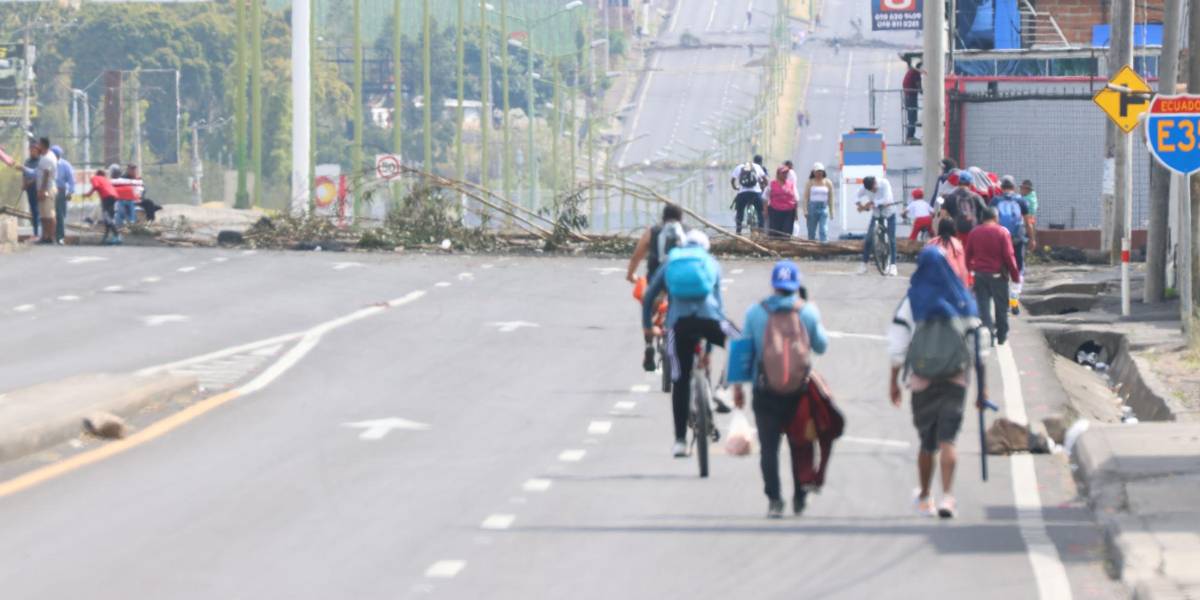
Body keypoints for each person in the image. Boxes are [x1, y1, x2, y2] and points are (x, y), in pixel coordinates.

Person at [887, 247, 985, 519]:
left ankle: (925, 496)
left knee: (927, 442)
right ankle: (948, 498)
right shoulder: (961, 296)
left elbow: (898, 344)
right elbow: (978, 341)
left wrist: (893, 383)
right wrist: (982, 387)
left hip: (922, 378)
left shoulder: (913, 299)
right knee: (948, 440)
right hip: (956, 377)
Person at [731, 261, 829, 518]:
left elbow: (744, 351)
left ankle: (774, 499)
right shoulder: (807, 312)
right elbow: (821, 346)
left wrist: (739, 387)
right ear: (795, 286)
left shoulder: (755, 312)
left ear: (774, 285)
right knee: (801, 444)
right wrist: (814, 315)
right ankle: (799, 495)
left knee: (769, 448)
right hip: (800, 392)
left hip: (765, 391)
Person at [642, 230, 735, 458]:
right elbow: (718, 307)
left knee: (679, 381)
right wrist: (710, 350)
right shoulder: (710, 262)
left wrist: (647, 325)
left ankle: (681, 441)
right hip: (709, 321)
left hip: (677, 326)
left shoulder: (671, 261)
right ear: (705, 247)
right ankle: (723, 389)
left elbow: (649, 296)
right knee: (742, 343)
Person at [627, 205, 686, 371]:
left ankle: (648, 345)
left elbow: (636, 256)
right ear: (681, 219)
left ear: (663, 217)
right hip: (681, 283)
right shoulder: (687, 232)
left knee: (649, 306)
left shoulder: (652, 231)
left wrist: (630, 275)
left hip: (656, 281)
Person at [966, 208, 1021, 346]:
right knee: (1001, 307)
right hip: (998, 276)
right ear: (996, 217)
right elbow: (1009, 256)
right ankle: (1001, 335)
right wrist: (1015, 276)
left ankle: (988, 335)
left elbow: (968, 255)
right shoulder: (1002, 232)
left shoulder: (974, 232)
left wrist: (969, 271)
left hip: (979, 275)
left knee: (983, 308)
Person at [855, 175, 900, 276]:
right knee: (868, 239)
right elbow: (856, 196)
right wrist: (860, 205)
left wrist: (872, 203)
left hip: (889, 213)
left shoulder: (884, 183)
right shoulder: (864, 188)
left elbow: (886, 199)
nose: (873, 191)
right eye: (870, 190)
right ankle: (864, 265)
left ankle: (893, 265)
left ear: (875, 183)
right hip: (876, 214)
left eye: (873, 189)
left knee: (891, 239)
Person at [940, 170, 988, 243]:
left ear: (958, 182)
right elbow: (986, 214)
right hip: (974, 232)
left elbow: (943, 216)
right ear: (970, 183)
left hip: (957, 233)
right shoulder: (977, 197)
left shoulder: (950, 197)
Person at [730, 155, 768, 235]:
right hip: (756, 192)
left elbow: (732, 181)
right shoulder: (757, 166)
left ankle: (738, 232)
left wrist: (735, 188)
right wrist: (764, 187)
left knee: (739, 212)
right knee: (760, 212)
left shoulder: (739, 167)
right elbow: (765, 180)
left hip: (743, 193)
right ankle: (762, 233)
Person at [927, 218, 970, 287]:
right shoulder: (957, 244)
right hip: (953, 279)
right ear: (953, 229)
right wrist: (965, 286)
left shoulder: (932, 243)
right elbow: (962, 268)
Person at [84, 169, 122, 245]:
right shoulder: (105, 180)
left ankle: (117, 235)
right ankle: (105, 238)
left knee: (107, 217)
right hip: (114, 197)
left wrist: (88, 194)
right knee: (107, 219)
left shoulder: (95, 178)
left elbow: (96, 186)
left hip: (107, 197)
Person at [34, 137, 59, 244]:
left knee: (50, 214)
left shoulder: (48, 158)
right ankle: (45, 236)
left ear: (43, 145)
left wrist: (42, 190)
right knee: (43, 215)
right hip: (42, 188)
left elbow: (46, 174)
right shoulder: (43, 156)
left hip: (47, 189)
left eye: (38, 144)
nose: (37, 146)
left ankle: (52, 237)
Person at [50, 145, 74, 245]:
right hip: (49, 190)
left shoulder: (65, 165)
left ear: (59, 155)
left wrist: (70, 192)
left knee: (60, 214)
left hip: (60, 191)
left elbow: (71, 181)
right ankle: (49, 236)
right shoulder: (48, 163)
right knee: (49, 214)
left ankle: (60, 237)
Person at [804, 162, 835, 242]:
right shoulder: (810, 182)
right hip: (812, 208)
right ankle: (812, 250)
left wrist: (831, 212)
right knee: (811, 231)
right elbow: (806, 197)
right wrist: (805, 210)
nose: (819, 173)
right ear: (813, 172)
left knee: (823, 230)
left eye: (821, 171)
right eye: (817, 171)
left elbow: (831, 198)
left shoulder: (828, 182)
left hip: (823, 208)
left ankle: (824, 248)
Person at [766, 165, 798, 239]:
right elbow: (765, 197)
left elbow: (796, 199)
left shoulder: (791, 184)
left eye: (786, 173)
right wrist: (765, 210)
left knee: (786, 232)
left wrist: (796, 214)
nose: (785, 175)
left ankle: (785, 248)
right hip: (775, 211)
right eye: (783, 173)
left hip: (788, 212)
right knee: (774, 232)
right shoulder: (772, 184)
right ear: (778, 174)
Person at [902, 60, 922, 143]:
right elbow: (918, 85)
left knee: (911, 117)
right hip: (911, 97)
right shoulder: (916, 73)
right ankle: (910, 136)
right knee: (912, 118)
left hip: (908, 96)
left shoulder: (912, 71)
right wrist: (923, 91)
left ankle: (910, 136)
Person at [1020, 179, 1038, 246]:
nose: (1020, 190)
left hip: (1026, 225)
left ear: (1027, 190)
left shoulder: (1027, 200)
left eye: (1022, 188)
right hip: (1030, 222)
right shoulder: (1032, 196)